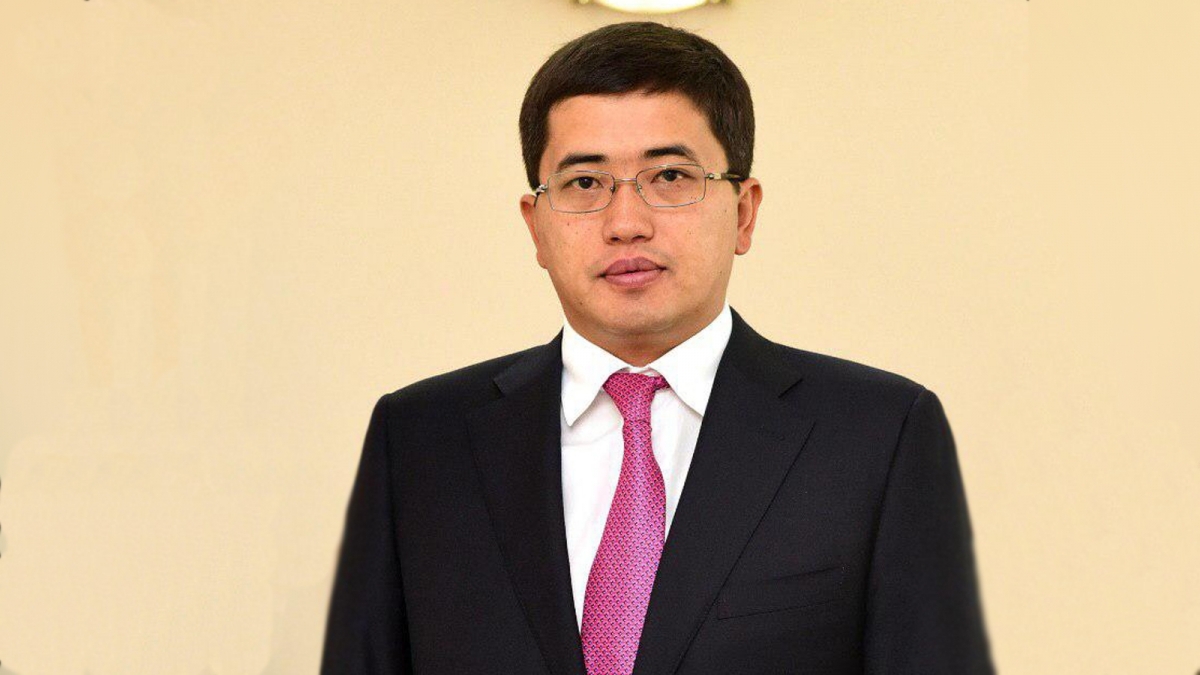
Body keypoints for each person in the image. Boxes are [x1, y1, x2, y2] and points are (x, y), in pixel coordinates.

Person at [321, 21, 993, 675]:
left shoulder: (879, 434)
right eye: (585, 183)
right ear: (536, 227)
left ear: (744, 211)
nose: (626, 223)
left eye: (670, 176)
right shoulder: (419, 440)